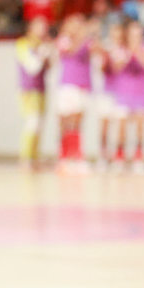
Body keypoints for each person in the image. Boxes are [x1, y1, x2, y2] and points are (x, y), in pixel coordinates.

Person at [55, 14, 96, 174]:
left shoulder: (87, 41)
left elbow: (97, 51)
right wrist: (83, 36)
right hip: (69, 86)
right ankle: (63, 157)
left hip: (83, 86)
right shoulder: (64, 40)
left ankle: (77, 157)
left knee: (78, 123)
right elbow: (71, 51)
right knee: (67, 122)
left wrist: (93, 34)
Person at [115, 20, 144, 173]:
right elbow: (117, 67)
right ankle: (120, 156)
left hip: (141, 92)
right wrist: (128, 53)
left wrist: (137, 50)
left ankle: (139, 156)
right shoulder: (121, 48)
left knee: (140, 126)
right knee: (122, 125)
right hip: (124, 91)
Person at [15, 17, 53, 171]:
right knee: (32, 123)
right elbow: (32, 67)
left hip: (41, 89)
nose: (43, 31)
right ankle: (25, 158)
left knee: (39, 125)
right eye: (40, 27)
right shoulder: (23, 44)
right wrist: (42, 54)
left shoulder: (41, 45)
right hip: (28, 90)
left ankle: (35, 157)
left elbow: (48, 67)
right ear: (31, 28)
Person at [95, 23, 130, 171]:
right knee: (104, 126)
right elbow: (102, 68)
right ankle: (103, 156)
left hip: (121, 92)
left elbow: (119, 68)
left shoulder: (125, 50)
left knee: (121, 127)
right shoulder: (105, 49)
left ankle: (119, 157)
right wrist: (104, 56)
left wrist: (109, 56)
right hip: (106, 92)